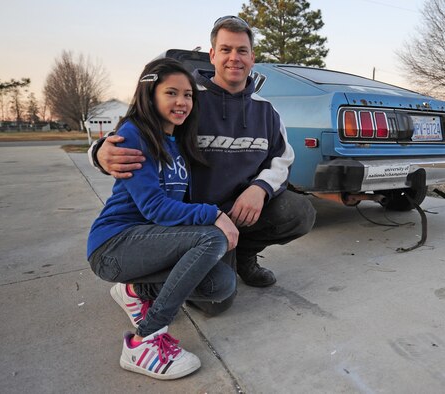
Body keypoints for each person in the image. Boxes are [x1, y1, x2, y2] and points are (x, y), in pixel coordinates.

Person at [89, 16, 316, 301]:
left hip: (241, 208)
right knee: (217, 298)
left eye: (242, 51)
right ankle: (150, 282)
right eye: (226, 49)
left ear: (252, 57)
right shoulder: (188, 101)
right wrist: (99, 151)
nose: (234, 58)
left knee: (299, 212)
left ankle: (244, 255)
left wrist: (260, 189)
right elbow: (139, 125)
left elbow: (283, 158)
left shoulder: (266, 111)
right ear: (212, 55)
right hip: (193, 217)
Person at [87, 57, 239, 380]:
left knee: (221, 283)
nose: (182, 102)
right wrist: (215, 215)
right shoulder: (133, 134)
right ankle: (146, 339)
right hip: (113, 245)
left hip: (148, 244)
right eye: (172, 93)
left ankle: (135, 291)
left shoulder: (177, 143)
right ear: (150, 93)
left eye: (188, 95)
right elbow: (155, 208)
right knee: (212, 236)